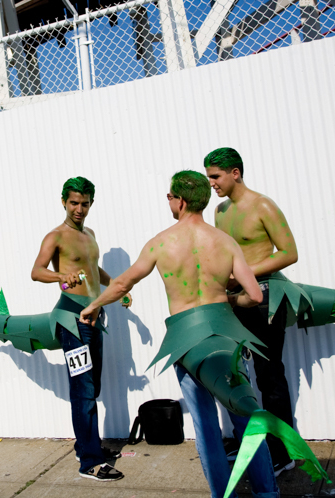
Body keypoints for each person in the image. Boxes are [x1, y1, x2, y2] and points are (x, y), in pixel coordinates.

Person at [78, 170, 279, 498]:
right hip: (226, 336)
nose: (168, 200)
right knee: (245, 418)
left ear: (181, 201)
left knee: (206, 427)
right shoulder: (224, 241)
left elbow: (122, 283)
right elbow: (255, 296)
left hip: (187, 339)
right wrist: (225, 300)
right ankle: (267, 494)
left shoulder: (161, 242)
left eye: (170, 196)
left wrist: (93, 306)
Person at [204, 147, 298, 475]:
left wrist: (247, 274)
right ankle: (245, 439)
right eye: (208, 177)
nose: (211, 183)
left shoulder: (263, 206)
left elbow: (289, 252)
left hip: (266, 299)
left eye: (215, 176)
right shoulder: (220, 211)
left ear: (235, 173)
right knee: (237, 372)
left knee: (270, 375)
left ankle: (284, 451)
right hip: (233, 302)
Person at [30, 176, 131, 482]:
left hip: (94, 317)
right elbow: (36, 272)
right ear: (64, 202)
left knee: (93, 386)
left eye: (85, 203)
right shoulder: (55, 236)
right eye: (74, 203)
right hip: (70, 318)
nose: (79, 209)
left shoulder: (90, 234)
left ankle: (83, 444)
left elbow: (92, 269)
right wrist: (60, 276)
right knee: (83, 389)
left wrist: (116, 286)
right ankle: (90, 460)